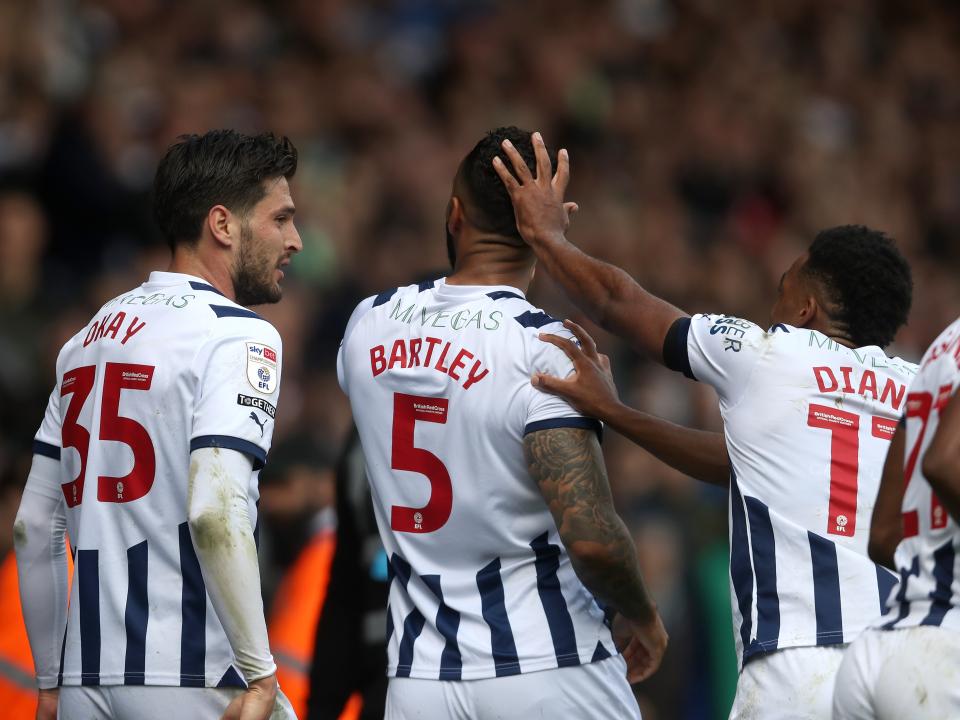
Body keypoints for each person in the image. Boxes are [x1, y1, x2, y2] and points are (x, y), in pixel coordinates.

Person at [492, 133, 916, 719]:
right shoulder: (917, 390)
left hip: (799, 668)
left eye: (783, 286)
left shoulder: (770, 354)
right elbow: (746, 463)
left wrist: (547, 236)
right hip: (903, 670)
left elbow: (619, 302)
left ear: (806, 309)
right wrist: (618, 413)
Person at [337, 127, 667, 719]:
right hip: (549, 666)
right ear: (550, 227)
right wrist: (644, 617)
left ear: (454, 214)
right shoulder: (547, 346)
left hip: (420, 681)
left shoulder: (367, 326)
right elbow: (591, 536)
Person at [13, 129, 302, 720]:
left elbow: (32, 524)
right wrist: (261, 674)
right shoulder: (238, 334)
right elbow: (216, 510)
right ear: (222, 224)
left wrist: (49, 682)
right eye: (281, 219)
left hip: (84, 682)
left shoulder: (86, 340)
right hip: (192, 670)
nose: (295, 240)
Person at [832, 318, 960, 718]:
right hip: (943, 655)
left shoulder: (944, 345)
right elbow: (943, 463)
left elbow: (884, 535)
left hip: (878, 649)